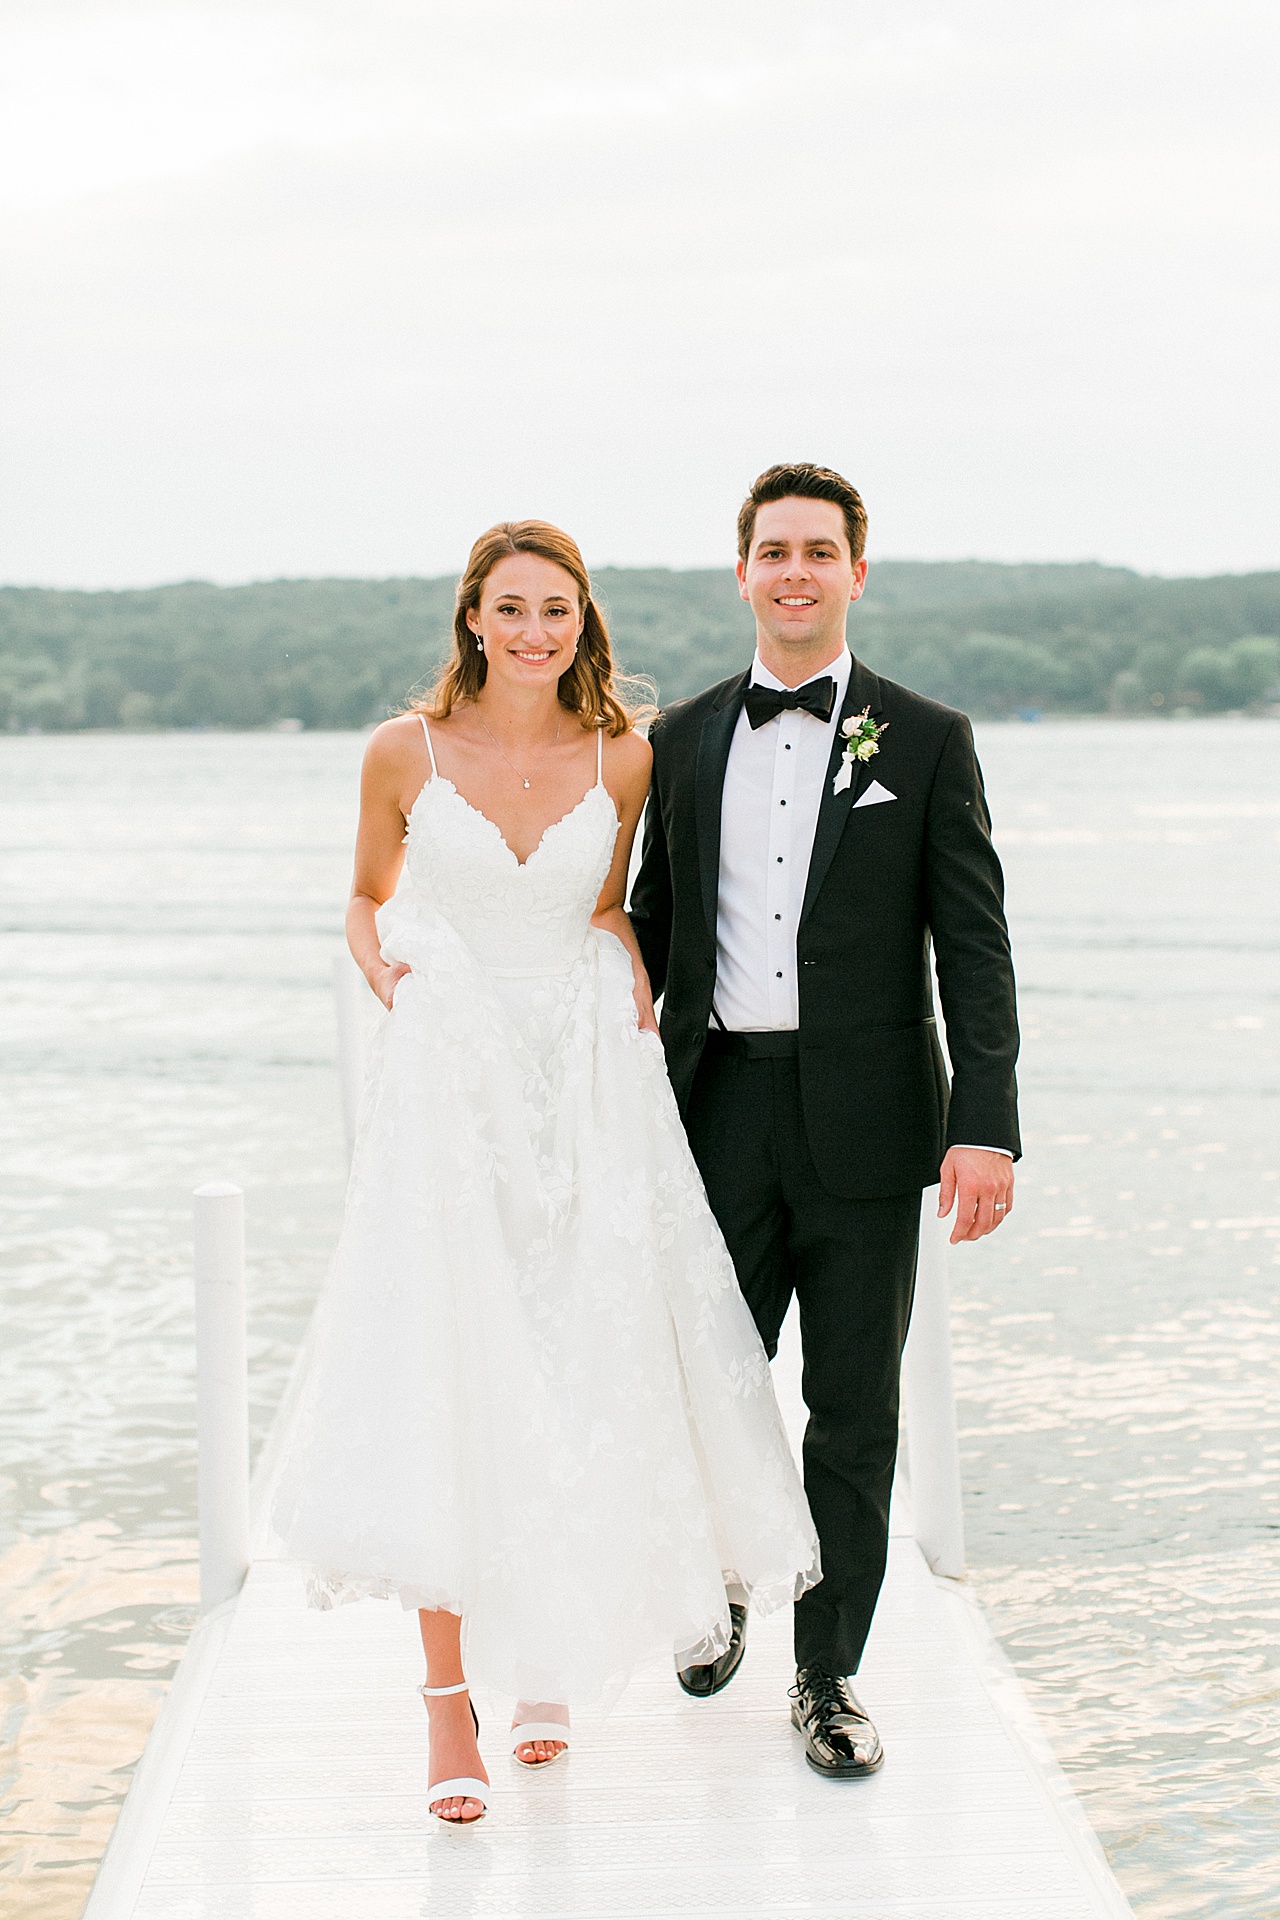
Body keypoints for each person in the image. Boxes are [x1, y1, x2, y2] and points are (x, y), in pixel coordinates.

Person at [272, 520, 818, 1824]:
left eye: (555, 612)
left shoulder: (625, 757)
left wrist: (625, 938)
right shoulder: (401, 753)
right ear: (472, 618)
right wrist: (380, 964)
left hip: (583, 1087)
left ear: (583, 625)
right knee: (448, 1372)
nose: (532, 633)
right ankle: (446, 1706)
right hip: (450, 1095)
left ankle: (551, 1666)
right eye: (509, 609)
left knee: (579, 1361)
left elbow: (618, 899)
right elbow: (363, 896)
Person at [629, 463, 1020, 1779]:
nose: (795, 571)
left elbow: (974, 946)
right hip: (716, 1107)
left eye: (819, 551)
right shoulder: (679, 739)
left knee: (853, 1414)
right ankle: (718, 1590)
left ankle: (827, 1678)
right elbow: (647, 935)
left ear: (858, 571)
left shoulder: (922, 739)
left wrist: (989, 1121)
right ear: (740, 571)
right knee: (708, 1386)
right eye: (773, 550)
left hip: (869, 1122)